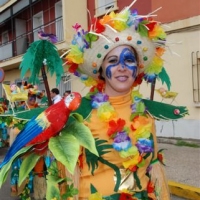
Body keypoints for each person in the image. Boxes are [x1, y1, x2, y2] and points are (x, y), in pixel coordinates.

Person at [58, 2, 188, 200]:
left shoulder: (144, 113)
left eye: (128, 60)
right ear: (101, 70)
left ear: (137, 68)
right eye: (112, 61)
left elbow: (153, 168)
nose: (122, 67)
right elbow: (67, 175)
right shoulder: (80, 112)